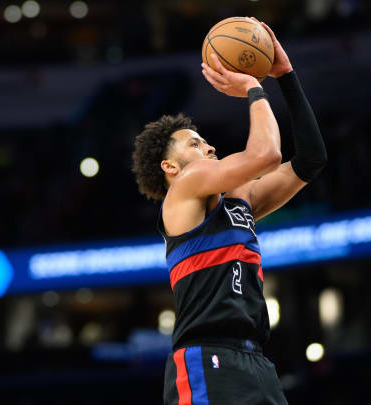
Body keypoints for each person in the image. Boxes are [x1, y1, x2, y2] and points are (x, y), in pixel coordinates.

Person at [131, 18, 326, 405]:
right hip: (207, 356)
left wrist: (285, 75)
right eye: (194, 144)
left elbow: (310, 160)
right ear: (170, 167)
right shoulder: (185, 186)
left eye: (205, 141)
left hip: (255, 359)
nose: (208, 148)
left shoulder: (240, 201)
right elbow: (267, 154)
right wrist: (254, 88)